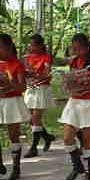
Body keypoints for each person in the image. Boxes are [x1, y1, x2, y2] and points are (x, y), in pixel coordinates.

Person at [58, 33, 90, 180]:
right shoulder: (73, 62)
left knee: (88, 141)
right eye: (73, 49)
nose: (75, 51)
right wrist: (69, 83)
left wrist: (88, 83)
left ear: (86, 48)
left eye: (78, 49)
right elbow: (71, 80)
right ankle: (77, 167)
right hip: (75, 102)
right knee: (67, 137)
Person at [0, 33, 31, 179]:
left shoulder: (17, 64)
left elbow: (22, 87)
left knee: (13, 135)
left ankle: (16, 168)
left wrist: (8, 82)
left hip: (12, 102)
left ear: (8, 47)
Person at [23, 34, 56, 158]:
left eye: (33, 45)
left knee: (36, 118)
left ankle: (34, 147)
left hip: (42, 88)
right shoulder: (28, 57)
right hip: (31, 88)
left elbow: (47, 74)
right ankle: (47, 137)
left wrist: (35, 75)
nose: (31, 47)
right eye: (30, 45)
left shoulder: (46, 57)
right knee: (30, 118)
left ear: (41, 45)